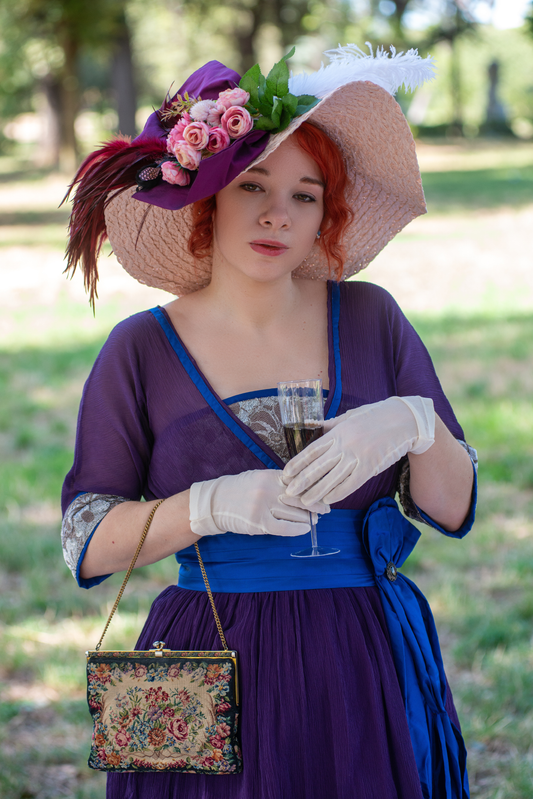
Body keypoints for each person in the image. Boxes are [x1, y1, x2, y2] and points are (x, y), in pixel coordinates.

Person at [61, 44, 477, 799]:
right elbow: (86, 541)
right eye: (251, 183)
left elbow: (453, 507)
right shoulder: (142, 348)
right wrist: (207, 505)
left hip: (364, 651)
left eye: (305, 194)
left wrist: (414, 421)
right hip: (205, 657)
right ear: (207, 196)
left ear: (327, 212)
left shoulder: (371, 317)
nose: (276, 213)